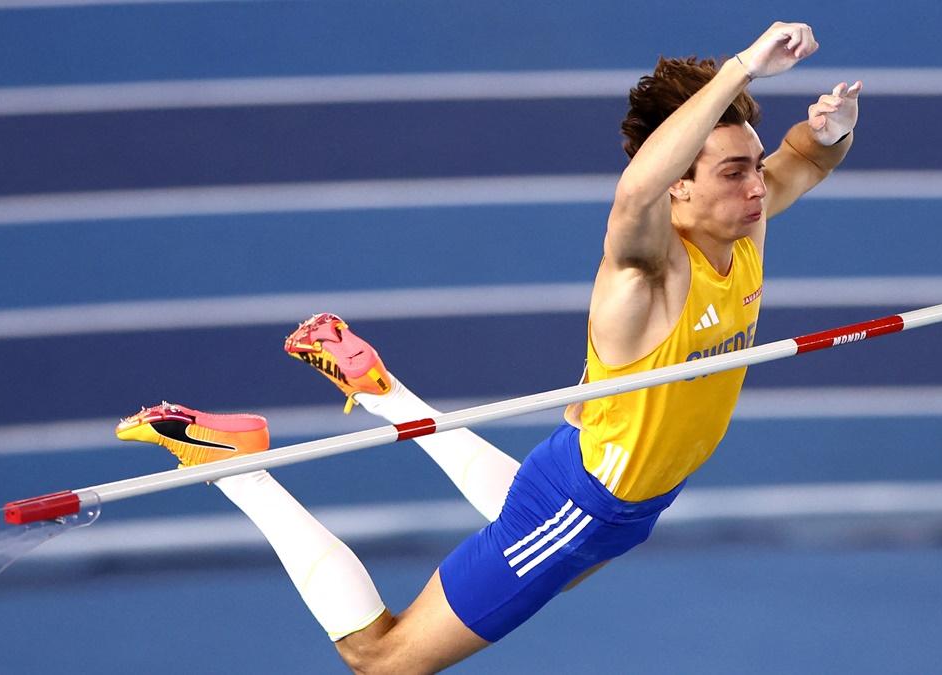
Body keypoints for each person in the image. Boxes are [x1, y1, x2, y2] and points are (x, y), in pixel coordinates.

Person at [115, 20, 860, 674]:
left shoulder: (743, 224)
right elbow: (634, 195)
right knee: (382, 659)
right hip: (586, 503)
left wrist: (831, 130)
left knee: (552, 560)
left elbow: (801, 162)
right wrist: (741, 67)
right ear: (680, 192)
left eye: (749, 166)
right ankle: (239, 469)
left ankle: (378, 389)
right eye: (732, 171)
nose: (755, 186)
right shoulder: (650, 272)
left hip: (600, 482)